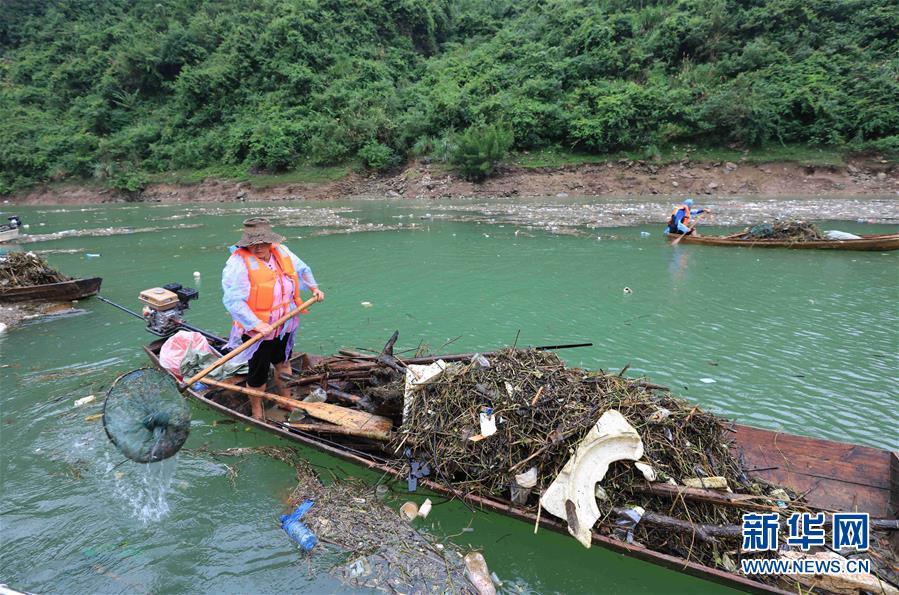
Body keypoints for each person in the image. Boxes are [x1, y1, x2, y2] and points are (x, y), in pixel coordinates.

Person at [222, 218, 325, 419]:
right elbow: (233, 300)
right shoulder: (237, 264)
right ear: (246, 243)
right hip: (257, 330)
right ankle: (257, 410)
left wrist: (314, 288)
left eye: (263, 242)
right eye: (253, 243)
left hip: (284, 323)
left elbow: (303, 269)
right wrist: (256, 324)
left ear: (271, 242)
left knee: (283, 362)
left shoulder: (282, 252)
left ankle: (286, 401)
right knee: (258, 372)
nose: (258, 247)